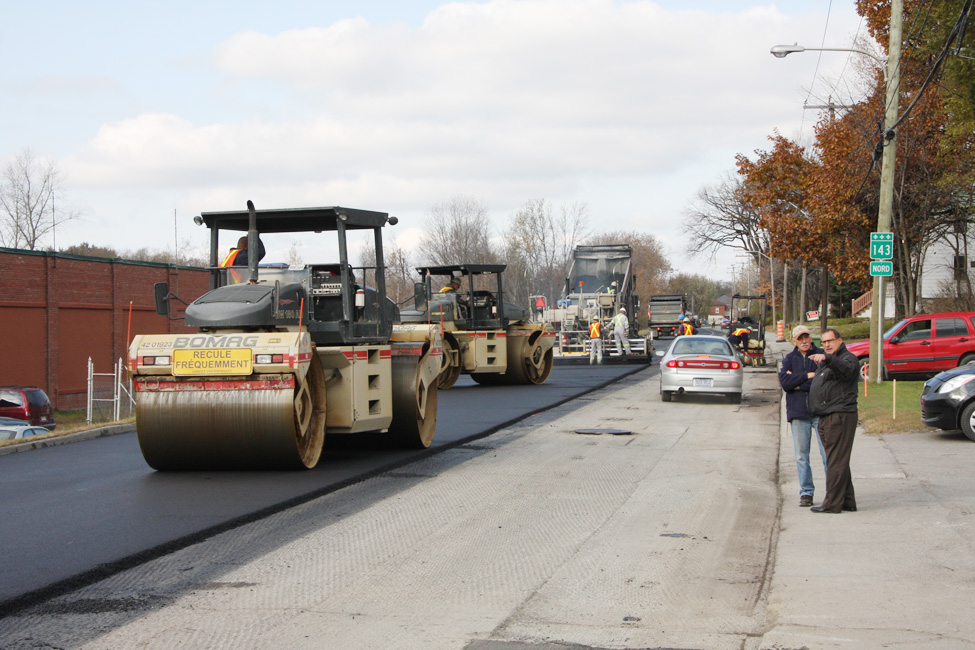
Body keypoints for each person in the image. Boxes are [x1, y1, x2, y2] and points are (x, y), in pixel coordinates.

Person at [808, 327, 859, 513]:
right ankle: (847, 500)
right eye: (823, 342)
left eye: (830, 341)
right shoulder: (827, 361)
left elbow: (846, 370)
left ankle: (832, 504)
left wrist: (828, 359)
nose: (826, 345)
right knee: (838, 460)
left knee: (835, 461)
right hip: (827, 415)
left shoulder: (847, 359)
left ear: (839, 340)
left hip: (840, 415)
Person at [779, 324, 829, 507]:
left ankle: (832, 491)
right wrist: (807, 376)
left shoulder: (820, 356)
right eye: (800, 338)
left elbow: (822, 381)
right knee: (801, 456)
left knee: (827, 455)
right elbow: (785, 383)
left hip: (820, 412)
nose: (804, 341)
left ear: (811, 338)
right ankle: (806, 492)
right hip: (798, 413)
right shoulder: (789, 359)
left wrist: (798, 381)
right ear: (794, 341)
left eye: (806, 337)